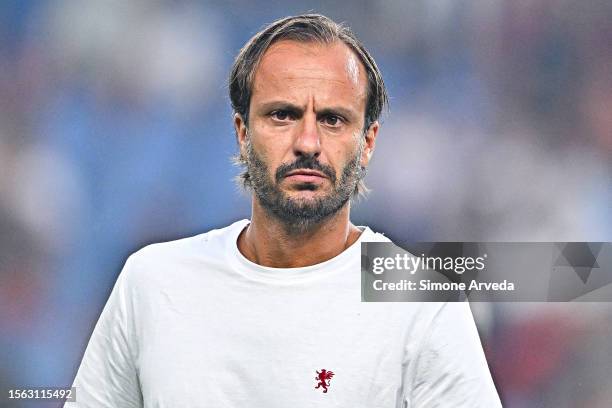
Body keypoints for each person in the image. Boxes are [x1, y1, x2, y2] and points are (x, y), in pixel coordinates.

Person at [66, 14, 501, 407]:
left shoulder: (423, 303)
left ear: (367, 142)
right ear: (242, 133)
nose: (308, 143)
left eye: (333, 119)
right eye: (282, 115)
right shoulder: (152, 282)